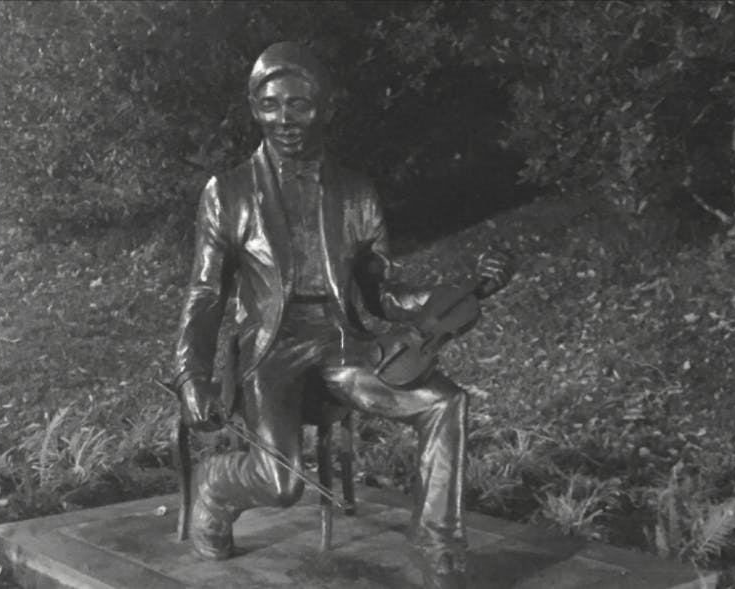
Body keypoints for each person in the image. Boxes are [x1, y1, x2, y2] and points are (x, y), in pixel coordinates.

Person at [170, 41, 509, 589]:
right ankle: (216, 483)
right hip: (268, 349)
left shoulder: (356, 192)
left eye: (300, 104)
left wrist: (459, 293)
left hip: (342, 341)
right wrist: (191, 374)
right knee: (281, 485)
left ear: (324, 107)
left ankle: (438, 540)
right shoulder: (227, 192)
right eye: (271, 104)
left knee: (445, 403)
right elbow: (205, 293)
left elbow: (383, 290)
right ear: (255, 108)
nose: (285, 119)